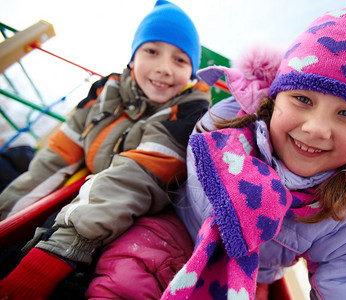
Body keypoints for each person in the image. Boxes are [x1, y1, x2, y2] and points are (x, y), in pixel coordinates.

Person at [160, 7, 346, 299]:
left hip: (247, 285)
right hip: (166, 237)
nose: (317, 129)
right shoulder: (223, 127)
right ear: (275, 98)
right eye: (302, 99)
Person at [0, 0, 210, 298]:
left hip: (125, 214)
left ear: (192, 72)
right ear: (133, 56)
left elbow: (134, 179)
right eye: (152, 51)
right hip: (87, 189)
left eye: (180, 60)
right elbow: (56, 158)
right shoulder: (105, 90)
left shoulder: (189, 111)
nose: (164, 68)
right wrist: (8, 216)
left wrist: (59, 251)